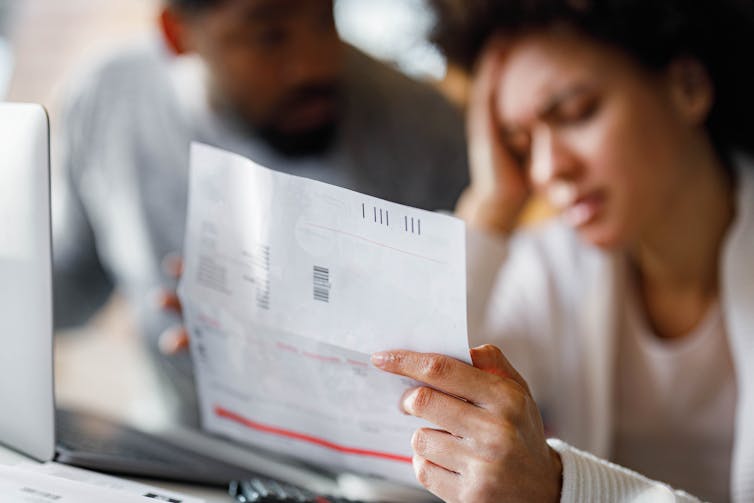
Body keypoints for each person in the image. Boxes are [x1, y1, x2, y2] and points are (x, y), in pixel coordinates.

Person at [372, 0, 754, 501]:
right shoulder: (553, 269)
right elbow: (397, 398)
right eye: (520, 144)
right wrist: (490, 204)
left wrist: (561, 488)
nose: (547, 170)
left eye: (576, 112)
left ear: (687, 87)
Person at [52, 0, 468, 425]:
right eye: (268, 36)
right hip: (179, 453)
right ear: (178, 35)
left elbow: (482, 345)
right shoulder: (110, 101)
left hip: (373, 471)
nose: (315, 66)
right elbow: (71, 286)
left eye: (325, 20)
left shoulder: (423, 128)